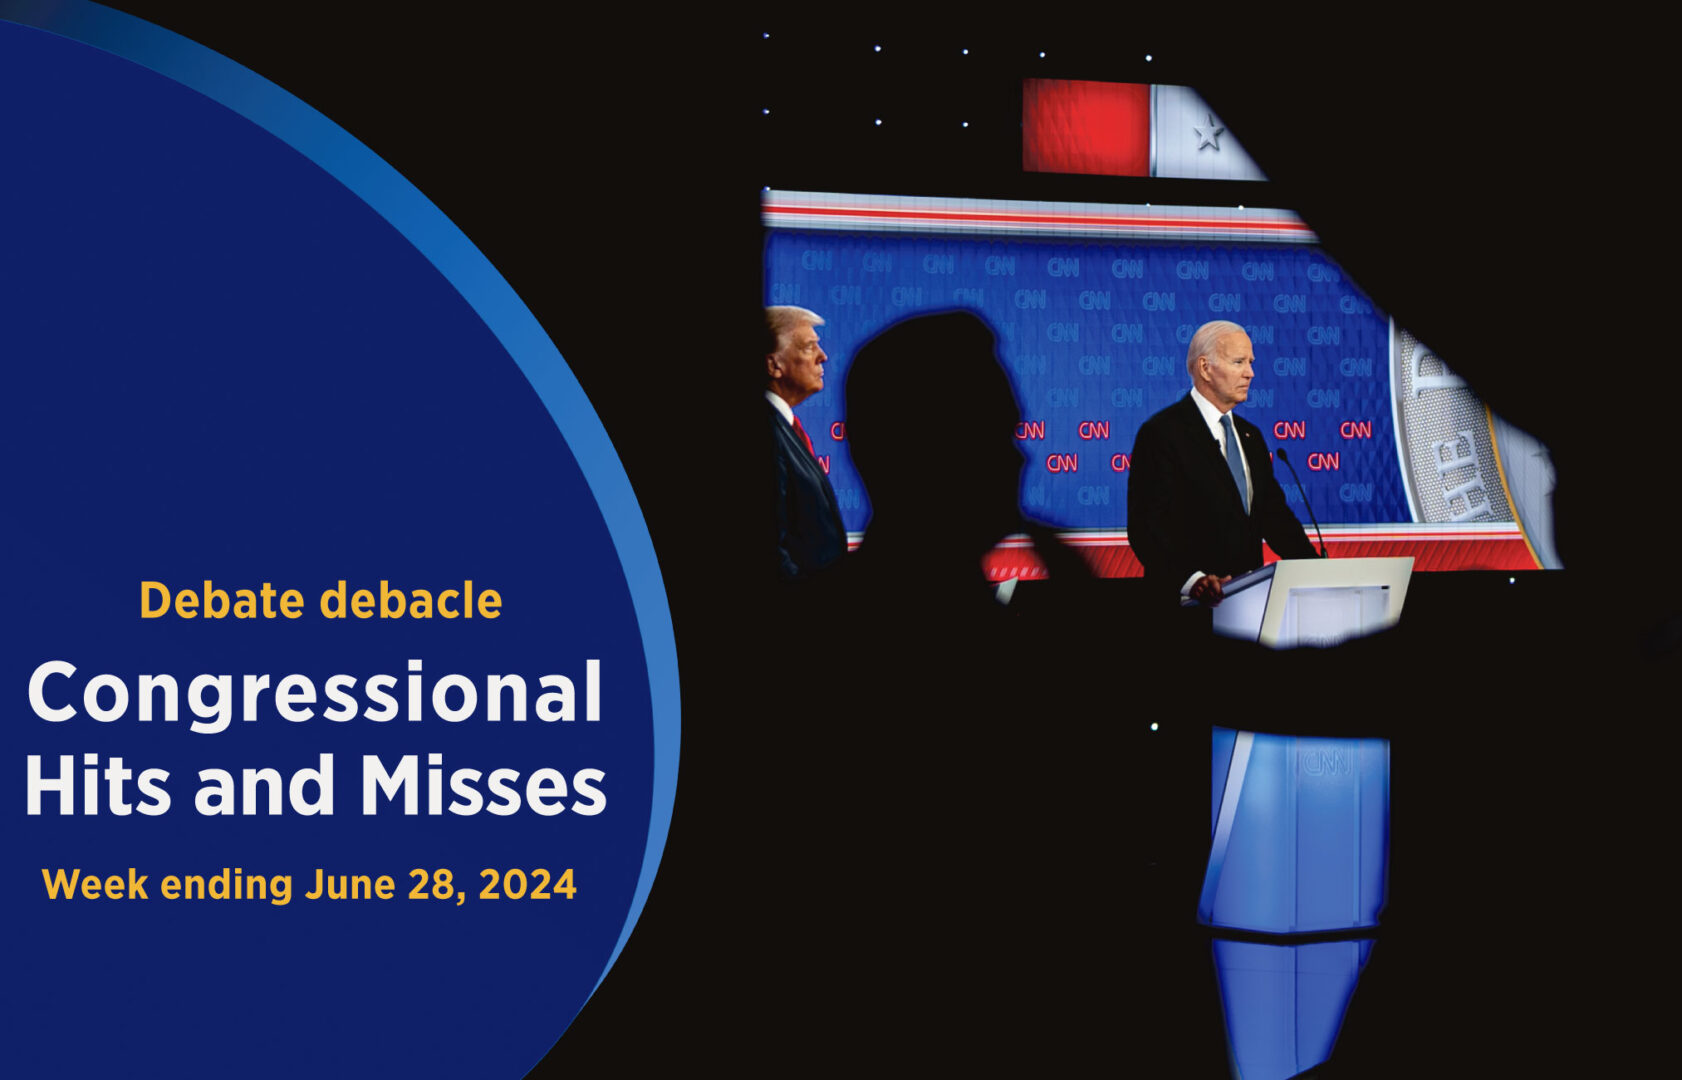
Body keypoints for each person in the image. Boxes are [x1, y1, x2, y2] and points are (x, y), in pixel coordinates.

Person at [1127, 319, 1318, 605]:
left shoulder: (1250, 436)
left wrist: (1316, 570)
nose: (1250, 373)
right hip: (1187, 605)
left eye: (1251, 362)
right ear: (1205, 368)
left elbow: (1274, 517)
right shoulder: (1162, 433)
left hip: (1247, 603)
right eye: (1239, 362)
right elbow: (1147, 527)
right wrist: (1193, 581)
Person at [764, 305, 846, 581]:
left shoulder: (785, 428)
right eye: (810, 347)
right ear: (774, 365)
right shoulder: (768, 434)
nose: (822, 357)